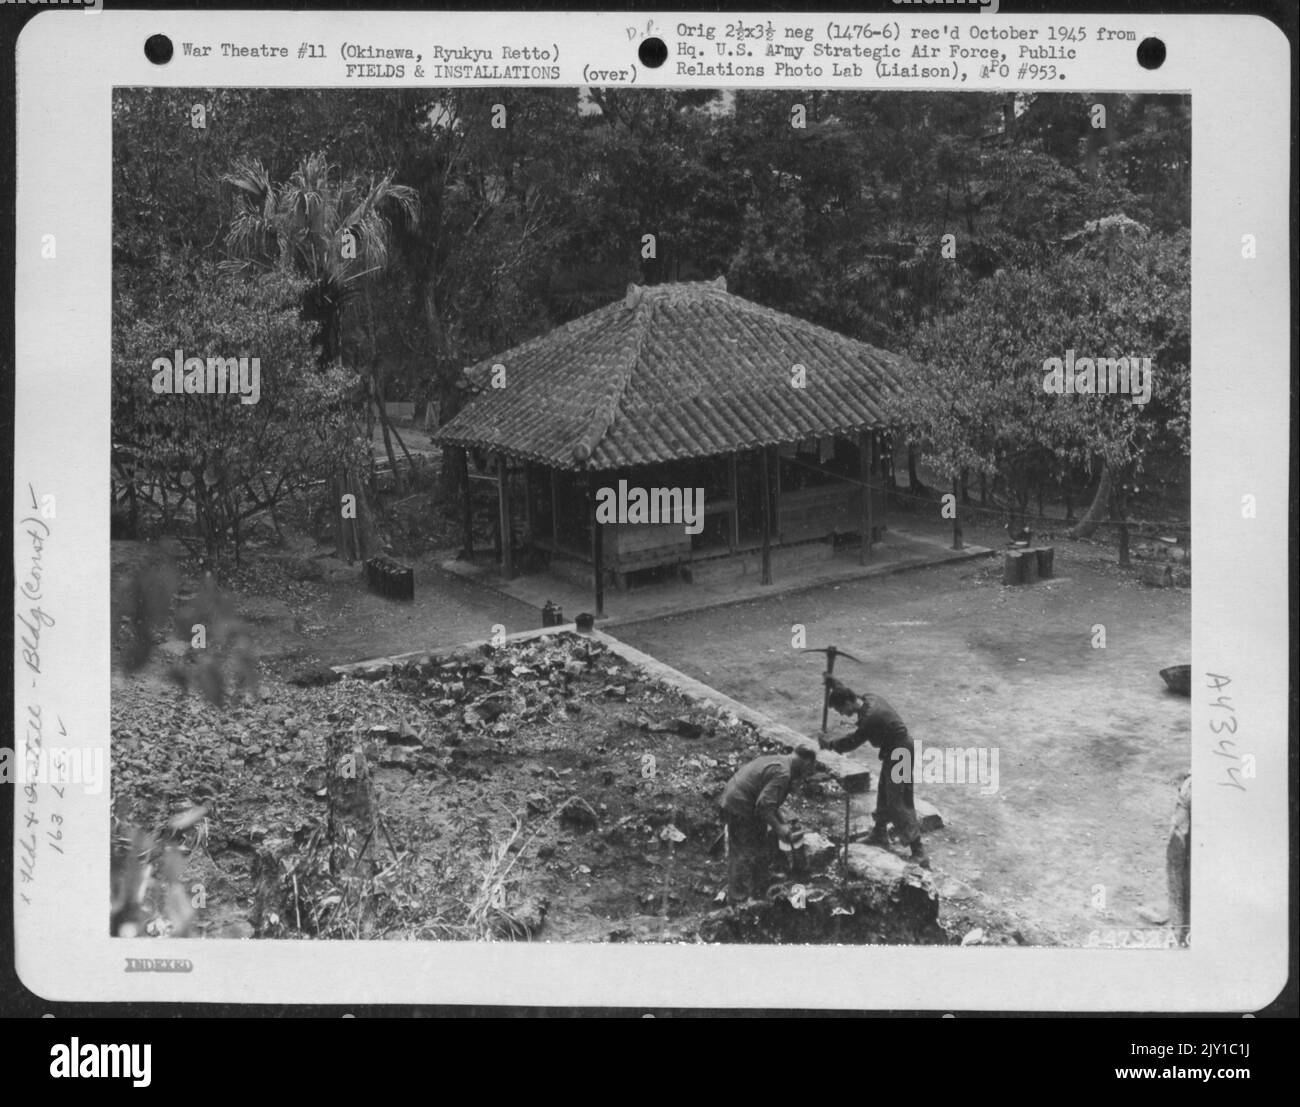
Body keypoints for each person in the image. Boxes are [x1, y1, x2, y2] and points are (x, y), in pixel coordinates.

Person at [820, 677, 930, 869]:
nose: (843, 715)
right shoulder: (868, 698)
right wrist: (834, 683)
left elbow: (852, 742)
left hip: (901, 752)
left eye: (841, 710)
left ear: (847, 703)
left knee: (899, 800)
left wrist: (829, 744)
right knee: (884, 792)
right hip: (893, 751)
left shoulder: (869, 718)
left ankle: (919, 852)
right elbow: (846, 691)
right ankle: (880, 833)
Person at [719, 748, 817, 904]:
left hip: (739, 801)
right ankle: (739, 902)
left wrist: (782, 823)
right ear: (806, 763)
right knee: (743, 852)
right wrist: (780, 829)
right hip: (740, 806)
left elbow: (771, 804)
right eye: (807, 770)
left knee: (758, 847)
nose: (805, 775)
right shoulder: (783, 773)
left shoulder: (779, 760)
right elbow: (764, 805)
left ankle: (759, 891)